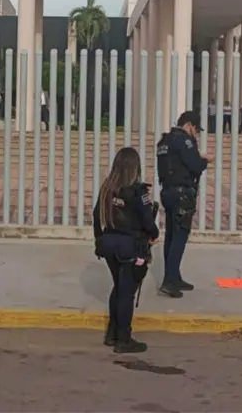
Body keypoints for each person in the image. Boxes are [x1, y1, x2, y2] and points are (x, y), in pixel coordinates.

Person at [93, 147, 160, 354]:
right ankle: (124, 339)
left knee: (119, 288)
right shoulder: (138, 192)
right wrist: (154, 234)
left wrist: (99, 240)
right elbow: (147, 221)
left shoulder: (108, 188)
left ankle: (112, 334)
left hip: (108, 243)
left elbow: (96, 215)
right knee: (127, 292)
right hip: (130, 246)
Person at [156, 111, 212, 298]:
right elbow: (195, 165)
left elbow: (175, 162)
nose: (196, 134)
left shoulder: (165, 141)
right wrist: (204, 160)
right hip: (181, 194)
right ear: (188, 125)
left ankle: (174, 276)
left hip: (167, 191)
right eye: (196, 130)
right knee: (179, 237)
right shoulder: (184, 141)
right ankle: (169, 280)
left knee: (171, 236)